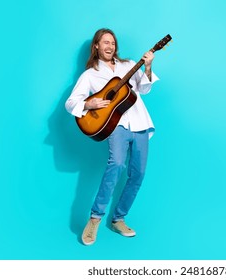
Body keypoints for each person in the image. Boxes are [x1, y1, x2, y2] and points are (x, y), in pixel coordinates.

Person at [65, 28, 159, 245]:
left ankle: (118, 219)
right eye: (105, 42)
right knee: (116, 164)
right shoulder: (90, 74)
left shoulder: (128, 65)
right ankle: (95, 218)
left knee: (139, 174)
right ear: (96, 46)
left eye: (113, 43)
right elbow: (70, 103)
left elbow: (144, 90)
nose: (110, 46)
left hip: (140, 123)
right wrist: (89, 103)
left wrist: (148, 65)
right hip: (116, 125)